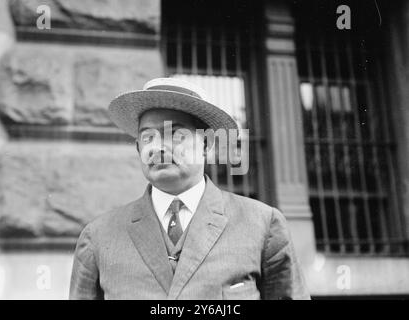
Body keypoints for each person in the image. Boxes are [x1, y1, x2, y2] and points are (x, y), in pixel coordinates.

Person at [69, 77, 310, 300]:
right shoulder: (99, 237)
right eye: (147, 138)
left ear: (206, 143)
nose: (157, 147)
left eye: (174, 134)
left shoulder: (262, 224)